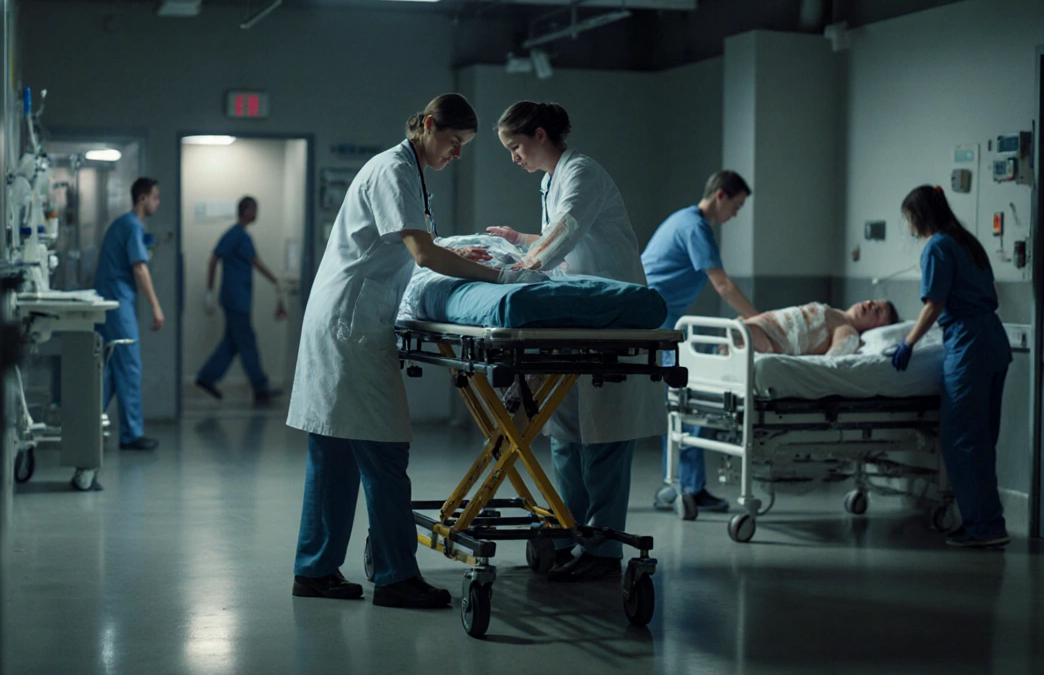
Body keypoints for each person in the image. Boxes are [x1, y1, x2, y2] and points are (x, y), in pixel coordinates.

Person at [288, 94, 542, 609]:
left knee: (334, 454)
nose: (457, 154)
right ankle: (396, 576)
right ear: (428, 125)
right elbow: (422, 253)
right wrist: (499, 274)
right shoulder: (393, 170)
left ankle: (314, 571)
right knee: (383, 452)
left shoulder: (404, 170)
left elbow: (415, 243)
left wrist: (454, 251)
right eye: (454, 142)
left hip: (342, 317)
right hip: (351, 327)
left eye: (463, 147)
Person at [488, 101, 664, 583]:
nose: (514, 158)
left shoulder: (583, 172)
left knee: (604, 438)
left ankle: (603, 552)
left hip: (608, 319)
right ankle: (568, 531)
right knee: (563, 431)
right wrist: (517, 240)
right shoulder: (552, 180)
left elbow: (566, 232)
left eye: (516, 146)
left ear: (541, 135)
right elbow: (558, 236)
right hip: (573, 319)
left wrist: (520, 266)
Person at [892, 185, 1011, 549]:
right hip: (993, 338)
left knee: (960, 439)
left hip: (969, 344)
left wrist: (908, 342)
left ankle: (983, 527)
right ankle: (990, 521)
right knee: (982, 439)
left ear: (918, 215)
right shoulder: (967, 242)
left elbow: (935, 304)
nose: (908, 225)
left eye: (908, 217)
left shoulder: (937, 247)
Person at [643, 171, 760, 513]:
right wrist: (758, 321)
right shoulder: (696, 227)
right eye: (736, 206)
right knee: (686, 401)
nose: (735, 215)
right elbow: (721, 285)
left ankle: (679, 484)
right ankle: (688, 487)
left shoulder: (682, 219)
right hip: (657, 322)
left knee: (679, 403)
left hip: (658, 320)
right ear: (720, 196)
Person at [195, 196, 287, 407]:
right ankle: (260, 387)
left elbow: (255, 261)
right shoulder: (234, 234)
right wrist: (209, 290)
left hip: (241, 298)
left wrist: (275, 281)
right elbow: (213, 258)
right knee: (247, 341)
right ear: (245, 211)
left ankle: (207, 377)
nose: (257, 214)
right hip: (235, 298)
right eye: (254, 209)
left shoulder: (244, 237)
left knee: (232, 343)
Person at [94, 177, 165, 451]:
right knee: (130, 366)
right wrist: (156, 307)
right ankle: (131, 433)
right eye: (155, 197)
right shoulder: (132, 226)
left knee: (111, 370)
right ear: (142, 198)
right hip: (117, 303)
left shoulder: (124, 224)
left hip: (109, 301)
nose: (157, 202)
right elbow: (139, 268)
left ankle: (86, 424)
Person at [733, 300, 898, 356]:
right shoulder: (835, 312)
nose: (870, 305)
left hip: (769, 340)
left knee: (741, 338)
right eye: (872, 301)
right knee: (739, 328)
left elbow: (832, 361)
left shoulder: (847, 330)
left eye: (877, 311)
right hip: (757, 326)